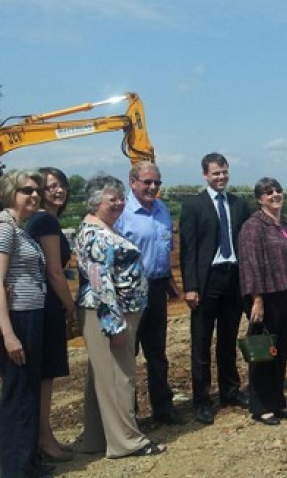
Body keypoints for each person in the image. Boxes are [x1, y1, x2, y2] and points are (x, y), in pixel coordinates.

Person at [73, 175, 165, 458]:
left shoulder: (102, 228)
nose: (119, 203)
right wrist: (114, 326)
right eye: (111, 199)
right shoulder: (95, 234)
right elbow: (100, 283)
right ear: (95, 202)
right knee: (119, 376)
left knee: (102, 376)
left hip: (115, 311)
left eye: (121, 198)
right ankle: (126, 441)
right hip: (109, 314)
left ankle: (96, 437)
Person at [180, 153, 251, 425]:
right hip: (207, 281)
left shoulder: (239, 204)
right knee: (201, 343)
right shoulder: (194, 206)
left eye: (224, 172)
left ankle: (230, 391)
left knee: (228, 339)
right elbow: (188, 250)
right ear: (205, 175)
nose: (221, 177)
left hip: (233, 278)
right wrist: (191, 287)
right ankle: (202, 401)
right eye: (215, 173)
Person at [238, 177, 287, 425]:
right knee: (263, 353)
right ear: (260, 199)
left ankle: (278, 402)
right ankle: (261, 406)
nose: (275, 195)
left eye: (278, 190)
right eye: (268, 192)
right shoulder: (253, 226)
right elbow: (250, 265)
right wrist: (256, 300)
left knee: (281, 353)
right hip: (267, 297)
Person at [114, 161, 184, 426]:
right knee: (127, 354)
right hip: (129, 291)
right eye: (147, 182)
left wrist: (170, 283)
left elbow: (163, 250)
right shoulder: (122, 213)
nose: (153, 187)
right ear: (133, 182)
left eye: (157, 182)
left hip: (156, 288)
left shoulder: (162, 210)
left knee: (157, 354)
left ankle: (163, 409)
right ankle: (128, 415)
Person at [0, 170, 51, 478]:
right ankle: (16, 470)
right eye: (26, 190)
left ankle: (27, 462)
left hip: (29, 315)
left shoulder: (20, 229)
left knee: (28, 392)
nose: (34, 195)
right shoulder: (5, 229)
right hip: (18, 319)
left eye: (37, 190)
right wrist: (8, 334)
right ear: (10, 192)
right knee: (19, 394)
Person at [26, 167, 76, 462]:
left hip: (41, 303)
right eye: (51, 187)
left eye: (61, 185)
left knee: (43, 376)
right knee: (45, 377)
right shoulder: (46, 221)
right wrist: (69, 305)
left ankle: (44, 437)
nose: (58, 191)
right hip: (47, 305)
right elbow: (55, 272)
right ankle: (45, 440)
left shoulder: (40, 220)